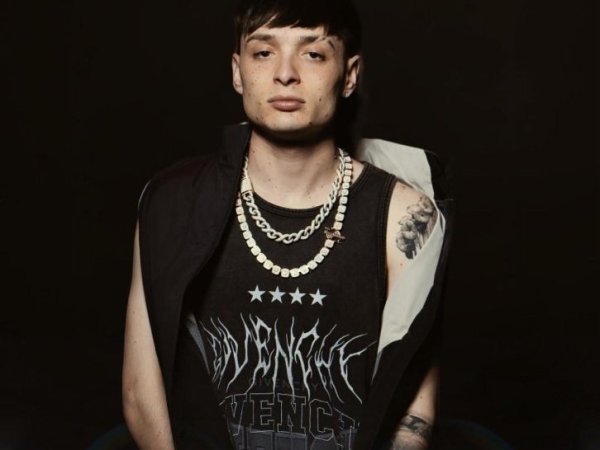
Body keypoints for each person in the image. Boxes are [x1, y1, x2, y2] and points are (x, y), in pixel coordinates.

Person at [122, 0, 453, 449]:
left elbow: (414, 409)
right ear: (238, 72)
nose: (285, 74)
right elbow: (141, 393)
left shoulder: (406, 217)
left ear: (349, 75)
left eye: (313, 53)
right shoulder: (172, 202)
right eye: (264, 52)